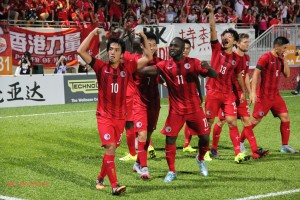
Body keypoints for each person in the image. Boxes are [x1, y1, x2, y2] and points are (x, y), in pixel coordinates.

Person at [77, 27, 152, 195]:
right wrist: (93, 33)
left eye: (116, 50)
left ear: (121, 54)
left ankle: (100, 178)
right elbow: (80, 51)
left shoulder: (128, 68)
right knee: (110, 146)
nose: (112, 52)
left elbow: (148, 57)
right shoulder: (100, 67)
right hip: (104, 117)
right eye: (110, 49)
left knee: (112, 149)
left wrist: (144, 38)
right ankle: (115, 185)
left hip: (121, 118)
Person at [138, 37, 217, 182]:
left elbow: (214, 75)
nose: (171, 48)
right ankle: (172, 171)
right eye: (170, 46)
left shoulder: (194, 63)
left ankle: (200, 159)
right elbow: (145, 70)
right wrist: (132, 66)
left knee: (205, 137)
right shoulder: (164, 65)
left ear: (182, 49)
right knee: (170, 139)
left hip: (194, 109)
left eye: (175, 46)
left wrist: (210, 68)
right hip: (176, 111)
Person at [210, 33, 269, 159]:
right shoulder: (231, 56)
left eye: (248, 42)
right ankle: (214, 147)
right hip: (229, 95)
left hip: (240, 95)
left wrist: (248, 92)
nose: (248, 44)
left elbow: (245, 75)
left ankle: (254, 150)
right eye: (245, 42)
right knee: (222, 121)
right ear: (237, 43)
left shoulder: (246, 58)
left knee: (246, 120)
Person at [205, 4, 250, 163]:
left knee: (231, 121)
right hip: (212, 91)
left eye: (229, 37)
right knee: (209, 122)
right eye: (224, 36)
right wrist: (211, 13)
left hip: (227, 94)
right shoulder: (216, 48)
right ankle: (205, 151)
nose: (225, 38)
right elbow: (212, 29)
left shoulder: (237, 59)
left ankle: (238, 153)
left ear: (235, 42)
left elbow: (239, 77)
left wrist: (243, 92)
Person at [251, 36, 299, 153]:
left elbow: (287, 75)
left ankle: (285, 146)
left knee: (285, 118)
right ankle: (240, 142)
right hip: (264, 96)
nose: (285, 50)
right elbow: (256, 74)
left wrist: (286, 59)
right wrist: (253, 92)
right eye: (284, 48)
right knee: (255, 121)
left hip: (275, 96)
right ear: (277, 47)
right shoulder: (265, 57)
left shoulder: (281, 59)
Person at [181, 39, 212, 162]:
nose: (185, 50)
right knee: (171, 132)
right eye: (183, 48)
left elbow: (196, 80)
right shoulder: (172, 63)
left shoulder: (193, 63)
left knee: (195, 123)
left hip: (192, 99)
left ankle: (199, 150)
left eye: (187, 48)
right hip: (178, 100)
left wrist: (200, 95)